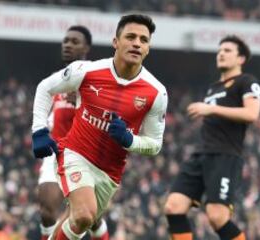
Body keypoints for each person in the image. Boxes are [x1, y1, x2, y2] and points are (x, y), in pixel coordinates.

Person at [31, 14, 168, 240]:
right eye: (130, 37)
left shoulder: (156, 92)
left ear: (148, 49)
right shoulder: (86, 71)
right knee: (84, 214)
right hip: (75, 153)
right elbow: (45, 87)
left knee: (81, 220)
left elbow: (155, 145)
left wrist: (129, 140)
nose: (136, 43)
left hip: (109, 172)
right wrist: (39, 130)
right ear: (116, 42)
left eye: (143, 40)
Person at [164, 35, 260, 240]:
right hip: (201, 154)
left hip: (225, 155)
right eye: (219, 51)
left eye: (227, 51)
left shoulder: (246, 81)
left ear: (241, 59)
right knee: (173, 207)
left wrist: (211, 109)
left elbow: (251, 114)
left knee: (217, 217)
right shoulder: (213, 87)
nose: (221, 54)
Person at [36, 25, 109, 240]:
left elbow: (107, 114)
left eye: (74, 42)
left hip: (84, 155)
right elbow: (51, 111)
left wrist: (82, 102)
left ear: (86, 48)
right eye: (65, 41)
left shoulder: (95, 77)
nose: (68, 45)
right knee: (47, 212)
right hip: (56, 151)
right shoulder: (56, 80)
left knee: (86, 217)